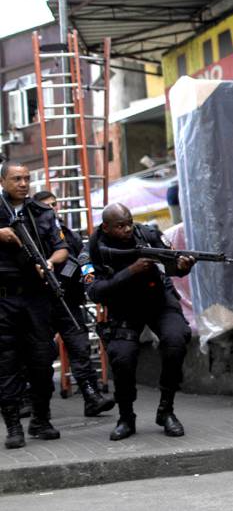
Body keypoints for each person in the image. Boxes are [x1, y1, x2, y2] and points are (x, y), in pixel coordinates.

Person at [79, 203, 193, 441]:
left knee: (176, 340)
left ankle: (166, 410)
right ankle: (126, 417)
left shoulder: (147, 234)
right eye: (120, 226)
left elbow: (172, 264)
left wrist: (182, 267)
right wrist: (131, 271)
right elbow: (95, 292)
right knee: (122, 357)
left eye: (129, 222)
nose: (128, 229)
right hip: (123, 308)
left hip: (158, 300)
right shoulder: (92, 251)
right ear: (106, 227)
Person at [0, 162, 69, 449]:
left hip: (35, 297)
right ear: (3, 181)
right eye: (17, 178)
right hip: (3, 299)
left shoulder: (41, 212)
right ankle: (13, 426)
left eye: (27, 178)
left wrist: (51, 263)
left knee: (42, 360)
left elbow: (61, 247)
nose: (24, 183)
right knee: (6, 364)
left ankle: (41, 419)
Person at [33, 190, 114, 418]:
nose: (53, 209)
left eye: (55, 204)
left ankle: (92, 397)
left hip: (67, 302)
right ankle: (33, 405)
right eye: (46, 206)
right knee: (40, 355)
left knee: (80, 349)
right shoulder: (34, 233)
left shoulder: (66, 233)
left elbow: (82, 258)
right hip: (41, 303)